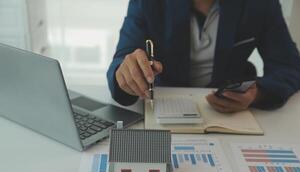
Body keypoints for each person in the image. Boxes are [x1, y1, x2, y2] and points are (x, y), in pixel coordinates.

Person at [107, 0, 300, 113]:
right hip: (163, 106)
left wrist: (257, 94)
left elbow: (289, 67)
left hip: (231, 113)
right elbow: (124, 57)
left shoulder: (261, 4)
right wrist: (124, 74)